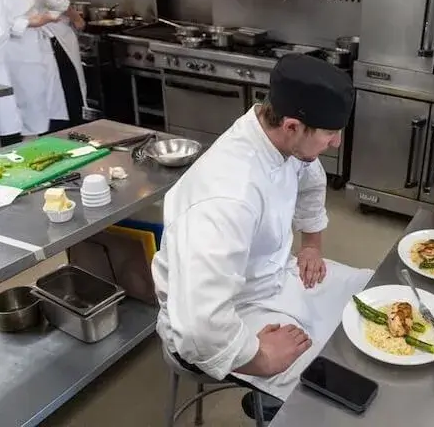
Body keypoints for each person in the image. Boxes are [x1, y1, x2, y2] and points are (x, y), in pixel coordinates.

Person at [151, 54, 373, 417]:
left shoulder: (283, 142)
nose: (336, 143)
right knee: (339, 381)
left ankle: (274, 401)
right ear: (292, 125)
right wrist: (263, 358)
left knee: (370, 289)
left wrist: (312, 246)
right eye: (330, 134)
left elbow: (311, 180)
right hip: (224, 316)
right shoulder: (228, 196)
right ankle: (275, 409)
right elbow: (198, 327)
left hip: (272, 277)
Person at [22, 0, 86, 131]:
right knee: (66, 92)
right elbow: (56, 1)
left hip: (26, 35)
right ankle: (72, 136)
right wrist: (77, 18)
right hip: (52, 35)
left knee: (38, 94)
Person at [0, 0, 63, 137]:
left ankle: (30, 137)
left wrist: (34, 21)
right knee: (24, 98)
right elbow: (3, 23)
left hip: (25, 47)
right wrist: (30, 22)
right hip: (13, 50)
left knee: (32, 97)